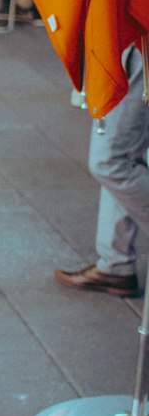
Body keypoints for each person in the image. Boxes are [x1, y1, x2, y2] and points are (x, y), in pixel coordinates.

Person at [55, 48, 149, 297]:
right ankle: (115, 262)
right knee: (122, 156)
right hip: (133, 35)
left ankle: (115, 262)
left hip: (139, 35)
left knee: (111, 160)